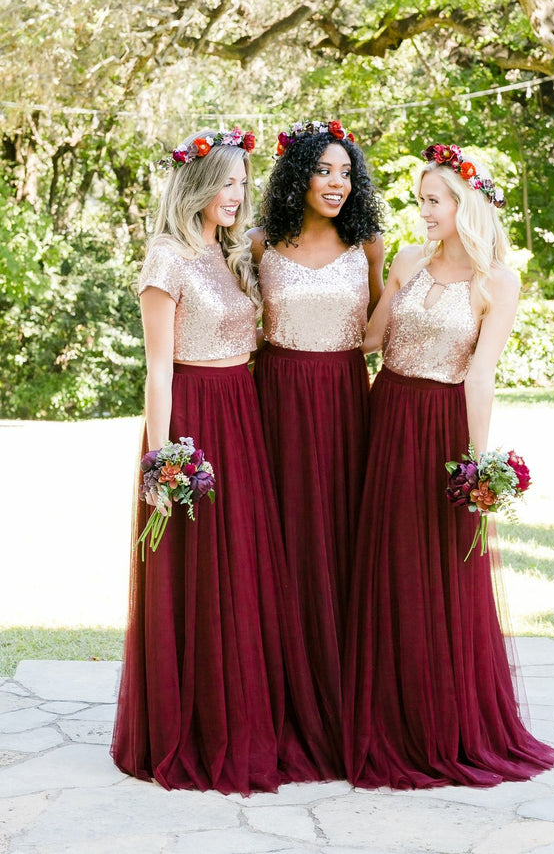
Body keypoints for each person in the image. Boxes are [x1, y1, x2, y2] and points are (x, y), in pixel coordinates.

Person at [111, 127, 335, 793]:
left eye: (243, 183)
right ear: (198, 183)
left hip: (244, 414)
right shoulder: (166, 257)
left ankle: (247, 712)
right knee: (197, 573)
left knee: (241, 570)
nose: (238, 195)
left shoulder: (230, 253)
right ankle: (197, 723)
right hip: (195, 423)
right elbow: (157, 371)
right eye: (228, 182)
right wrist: (162, 459)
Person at [343, 142, 554, 789]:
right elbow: (373, 340)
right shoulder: (410, 259)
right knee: (385, 565)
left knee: (435, 569)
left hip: (441, 429)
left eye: (432, 201)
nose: (424, 212)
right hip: (387, 418)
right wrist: (393, 283)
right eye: (420, 201)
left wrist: (474, 467)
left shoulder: (498, 280)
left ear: (463, 203)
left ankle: (443, 720)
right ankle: (381, 715)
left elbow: (481, 376)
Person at [249, 119, 384, 774]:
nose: (337, 182)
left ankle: (344, 693)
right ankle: (279, 695)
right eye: (324, 170)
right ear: (297, 174)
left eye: (346, 173)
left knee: (341, 539)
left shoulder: (370, 245)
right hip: (274, 401)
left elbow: (393, 324)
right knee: (283, 541)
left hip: (344, 401)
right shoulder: (260, 244)